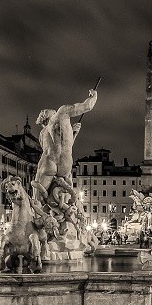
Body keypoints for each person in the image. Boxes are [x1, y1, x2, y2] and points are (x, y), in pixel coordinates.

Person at [31, 89, 98, 224]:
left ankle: (38, 223)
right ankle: (68, 221)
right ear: (52, 114)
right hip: (65, 164)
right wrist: (94, 96)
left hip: (49, 162)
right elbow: (86, 106)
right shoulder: (63, 112)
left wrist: (73, 133)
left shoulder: (43, 133)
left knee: (38, 197)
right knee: (67, 197)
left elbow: (50, 149)